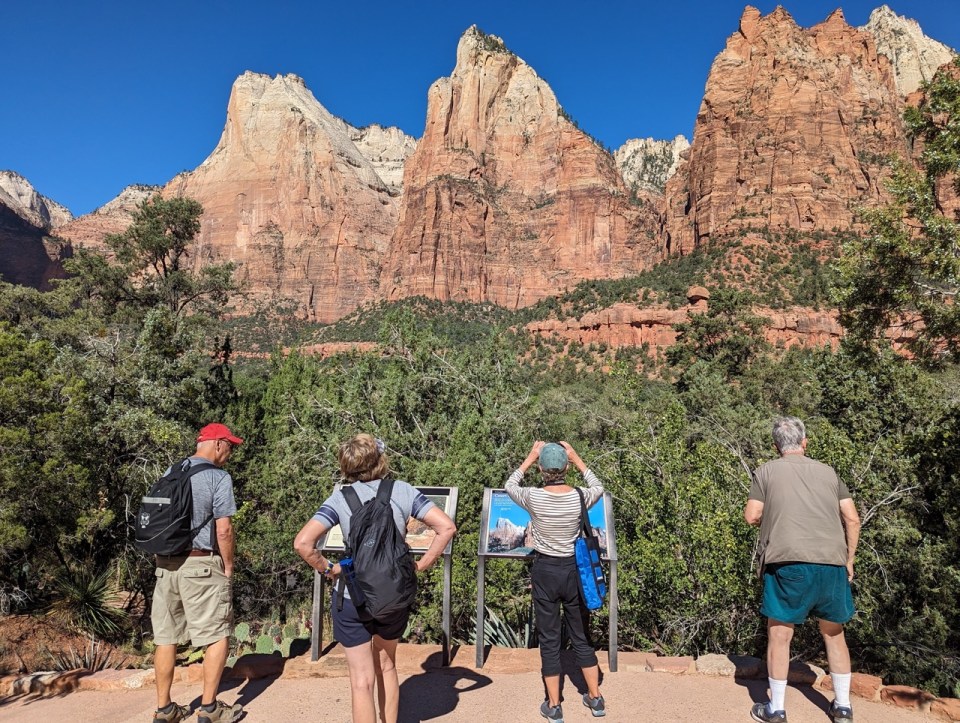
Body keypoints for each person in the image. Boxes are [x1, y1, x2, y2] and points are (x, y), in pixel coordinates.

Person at [294, 434, 457, 723]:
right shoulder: (403, 491)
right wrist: (420, 565)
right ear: (380, 460)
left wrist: (330, 569)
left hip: (351, 596)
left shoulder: (340, 498)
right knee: (387, 665)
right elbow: (446, 527)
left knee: (361, 680)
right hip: (393, 595)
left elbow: (303, 543)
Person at [744, 417, 861, 723]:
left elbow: (751, 516)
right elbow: (852, 519)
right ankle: (844, 707)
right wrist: (848, 560)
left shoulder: (766, 471)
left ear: (776, 446)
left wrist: (775, 516)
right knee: (834, 635)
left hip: (788, 562)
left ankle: (777, 709)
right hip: (832, 563)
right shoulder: (829, 472)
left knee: (780, 635)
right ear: (805, 443)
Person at [506, 440, 606, 722]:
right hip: (574, 571)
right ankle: (595, 699)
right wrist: (579, 458)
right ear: (565, 467)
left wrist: (528, 458)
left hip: (545, 571)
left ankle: (554, 705)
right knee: (581, 636)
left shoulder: (532, 497)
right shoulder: (578, 496)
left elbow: (509, 485)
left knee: (549, 640)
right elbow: (598, 487)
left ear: (541, 469)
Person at [151, 423, 244, 723]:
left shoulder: (171, 471)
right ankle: (209, 709)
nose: (230, 453)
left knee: (165, 637)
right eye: (230, 446)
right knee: (217, 634)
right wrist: (228, 566)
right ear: (217, 444)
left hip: (166, 565)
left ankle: (164, 710)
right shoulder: (218, 477)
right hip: (201, 564)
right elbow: (224, 528)